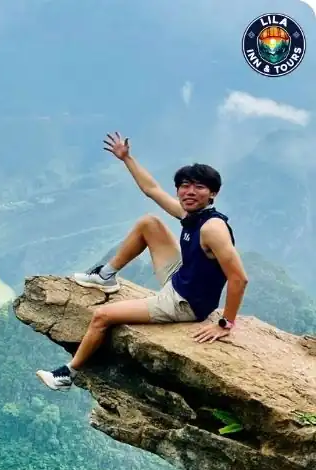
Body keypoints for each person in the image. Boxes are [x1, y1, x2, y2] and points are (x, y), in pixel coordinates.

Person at [36, 132, 249, 391]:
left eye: (199, 187)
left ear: (213, 193)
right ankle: (106, 276)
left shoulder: (212, 228)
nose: (190, 192)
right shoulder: (191, 215)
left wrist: (226, 323)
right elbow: (151, 189)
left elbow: (239, 278)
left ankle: (67, 374)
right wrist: (126, 158)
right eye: (184, 185)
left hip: (183, 304)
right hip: (182, 277)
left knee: (102, 316)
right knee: (149, 222)